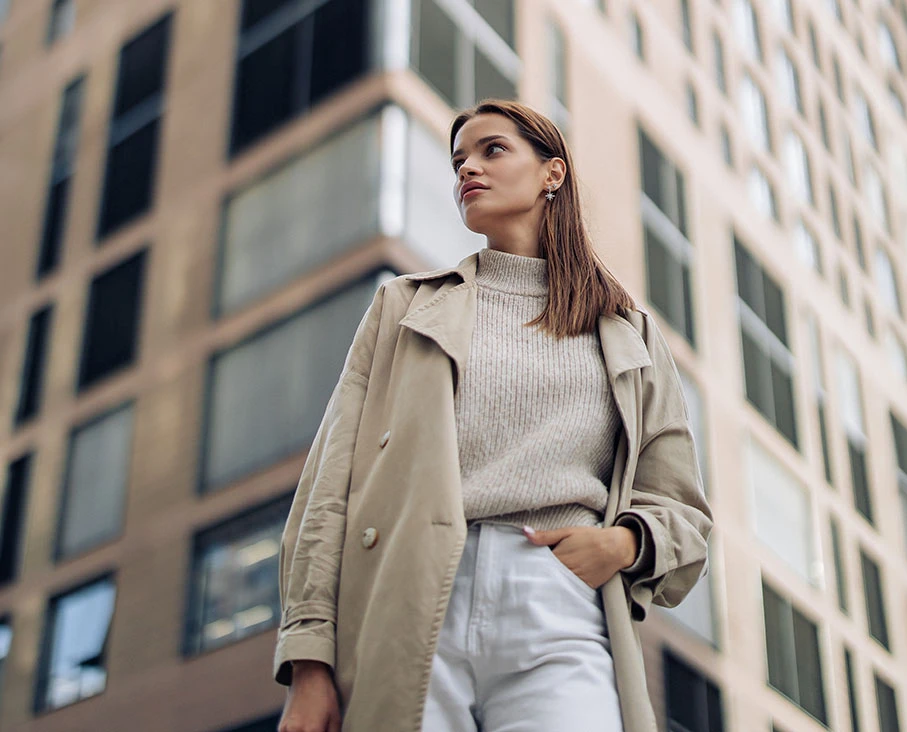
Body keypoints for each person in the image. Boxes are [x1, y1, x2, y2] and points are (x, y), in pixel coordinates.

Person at [274, 99, 713, 732]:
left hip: (559, 604)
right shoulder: (404, 307)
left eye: (492, 150)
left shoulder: (627, 332)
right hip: (413, 596)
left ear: (552, 174)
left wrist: (621, 543)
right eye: (458, 161)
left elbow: (683, 511)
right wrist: (310, 663)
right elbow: (328, 491)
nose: (467, 171)